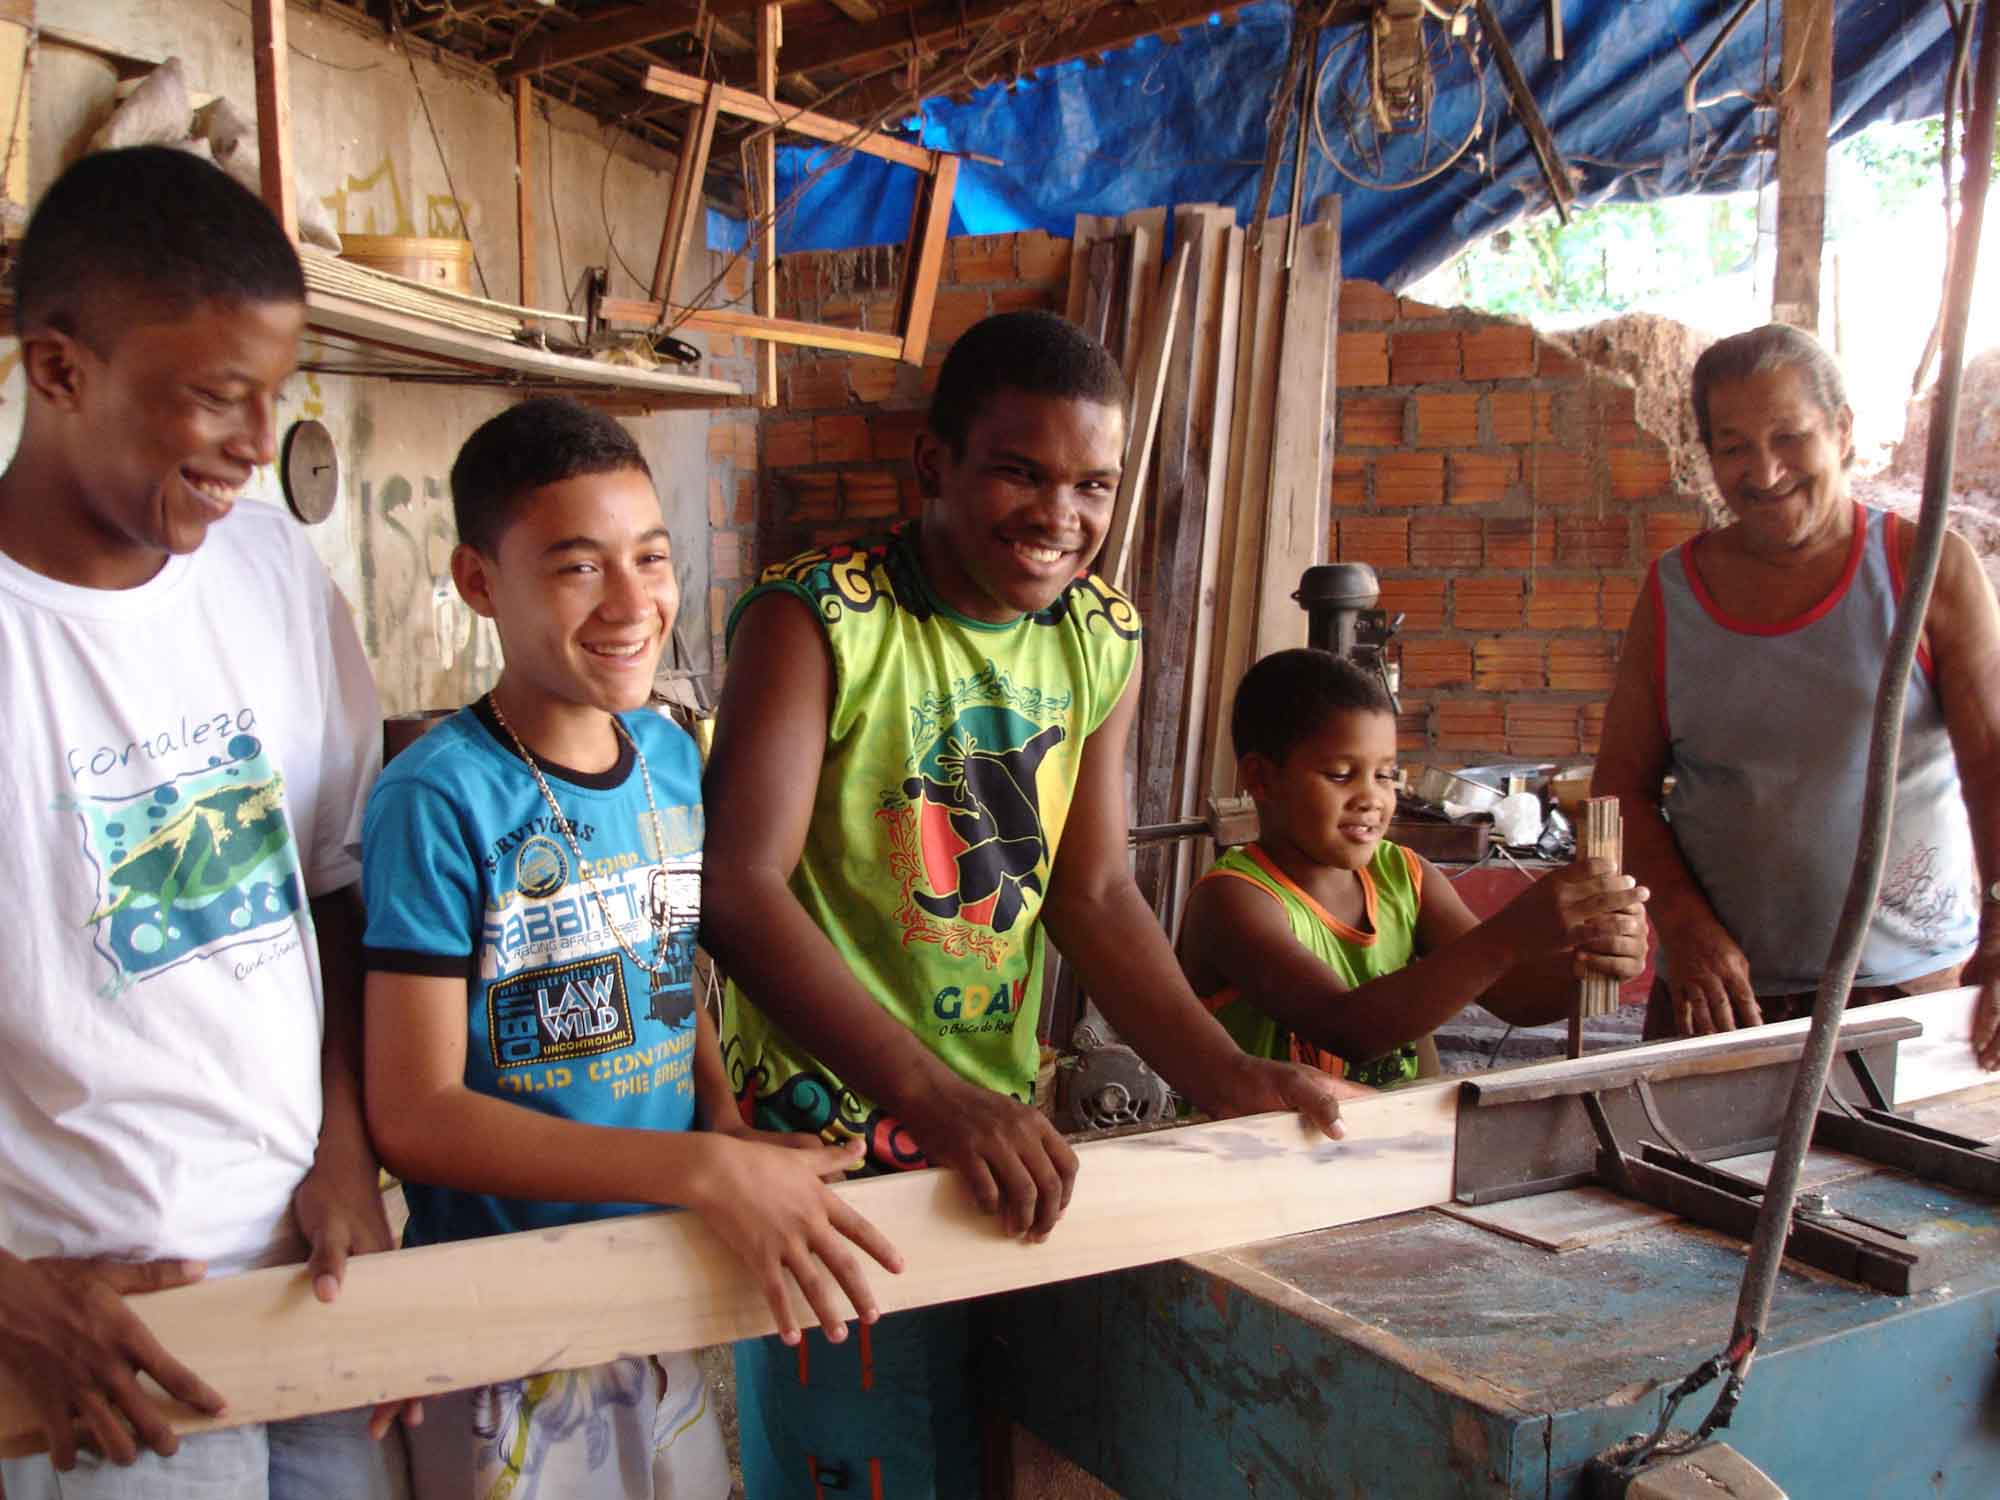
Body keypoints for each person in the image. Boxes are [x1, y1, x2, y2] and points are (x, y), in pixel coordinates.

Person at [700, 309, 1354, 1498]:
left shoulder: (1097, 636)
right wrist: (926, 1094)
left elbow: (1091, 891)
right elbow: (736, 891)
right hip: (824, 1146)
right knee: (858, 1460)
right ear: (933, 465)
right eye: (1019, 471)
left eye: (1092, 485)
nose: (1059, 515)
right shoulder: (821, 618)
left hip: (996, 1132)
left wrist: (1222, 1075)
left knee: (980, 1446)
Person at [359, 397, 901, 1500]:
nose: (630, 602)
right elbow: (415, 1115)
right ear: (477, 582)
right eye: (577, 567)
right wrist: (703, 1170)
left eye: (650, 558)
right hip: (503, 1318)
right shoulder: (436, 797)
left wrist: (719, 1119)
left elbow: (664, 966)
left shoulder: (666, 753)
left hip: (661, 1280)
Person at [0, 147, 408, 1495]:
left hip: (309, 1275)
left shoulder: (267, 570)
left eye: (273, 393)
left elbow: (332, 886)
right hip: (103, 1333)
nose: (254, 443)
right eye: (218, 396)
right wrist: (9, 1297)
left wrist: (345, 1154)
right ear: (58, 371)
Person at [1593, 323, 2000, 1060]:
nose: (1766, 471)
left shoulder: (1927, 569)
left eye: (1790, 436)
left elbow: (1993, 766)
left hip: (1907, 991)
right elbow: (1620, 789)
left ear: (1841, 431)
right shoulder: (1674, 593)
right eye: (1734, 446)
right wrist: (1684, 924)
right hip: (1724, 1001)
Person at [1178, 649, 1649, 1081]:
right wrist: (1513, 933)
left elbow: (1512, 997)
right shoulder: (1232, 901)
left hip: (1392, 1139)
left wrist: (1596, 961)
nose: (1371, 798)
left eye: (1384, 774)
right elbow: (1348, 1029)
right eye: (1341, 775)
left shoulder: (1403, 875)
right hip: (1259, 1145)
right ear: (1261, 778)